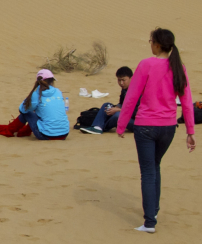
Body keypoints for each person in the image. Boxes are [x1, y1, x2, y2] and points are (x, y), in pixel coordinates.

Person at [117, 28, 195, 233]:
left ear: (158, 44)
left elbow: (131, 97)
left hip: (146, 127)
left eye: (151, 41)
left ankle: (150, 221)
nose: (150, 44)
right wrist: (190, 131)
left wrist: (121, 124)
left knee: (148, 172)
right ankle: (155, 210)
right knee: (155, 166)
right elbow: (186, 102)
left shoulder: (146, 64)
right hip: (169, 128)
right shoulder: (179, 66)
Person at [0, 69, 70, 139]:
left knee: (27, 112)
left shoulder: (36, 94)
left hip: (46, 135)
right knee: (40, 111)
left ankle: (10, 130)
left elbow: (22, 110)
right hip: (64, 134)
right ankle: (23, 130)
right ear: (52, 81)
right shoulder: (58, 92)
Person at [80, 66, 136, 135]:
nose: (121, 83)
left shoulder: (138, 91)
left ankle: (101, 127)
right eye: (119, 80)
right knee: (107, 105)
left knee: (118, 116)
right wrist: (114, 108)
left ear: (131, 78)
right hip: (126, 114)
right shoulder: (125, 88)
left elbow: (137, 112)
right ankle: (97, 127)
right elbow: (121, 103)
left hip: (137, 123)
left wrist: (118, 110)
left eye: (124, 80)